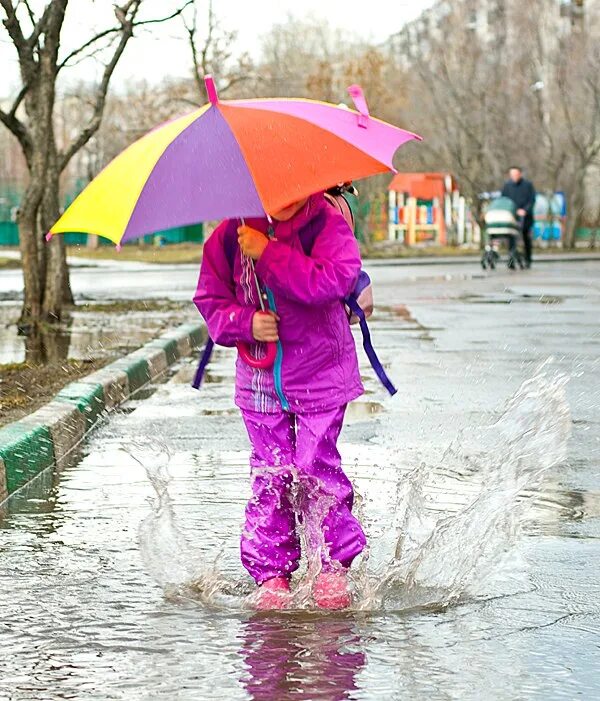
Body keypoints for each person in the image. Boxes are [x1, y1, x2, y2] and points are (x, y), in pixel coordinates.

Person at [194, 192, 367, 610]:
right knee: (271, 473)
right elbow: (211, 300)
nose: (285, 196)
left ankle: (330, 565)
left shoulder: (324, 222)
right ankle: (271, 572)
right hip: (259, 379)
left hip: (321, 371)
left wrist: (269, 253)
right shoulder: (229, 235)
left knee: (314, 465)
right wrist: (244, 322)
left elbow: (335, 280)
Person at [501, 166, 536, 267]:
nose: (514, 176)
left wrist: (525, 210)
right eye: (512, 174)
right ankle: (511, 259)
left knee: (526, 238)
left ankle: (528, 259)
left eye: (516, 174)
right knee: (511, 238)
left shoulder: (528, 185)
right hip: (511, 217)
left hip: (525, 218)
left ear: (520, 174)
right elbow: (504, 200)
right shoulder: (507, 186)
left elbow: (532, 200)